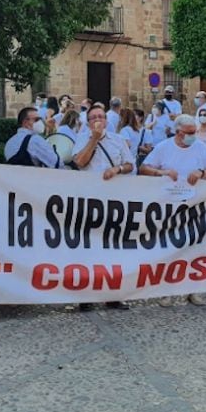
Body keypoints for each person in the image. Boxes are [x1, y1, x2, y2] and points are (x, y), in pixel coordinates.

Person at [140, 114, 206, 306]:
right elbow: (144, 168)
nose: (193, 136)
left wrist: (200, 172)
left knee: (196, 248)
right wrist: (162, 172)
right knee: (170, 248)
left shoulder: (200, 147)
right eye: (189, 133)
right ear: (178, 132)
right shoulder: (164, 147)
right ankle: (167, 291)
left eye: (195, 132)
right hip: (169, 207)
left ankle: (193, 290)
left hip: (194, 205)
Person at [72, 104, 135, 311]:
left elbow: (130, 165)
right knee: (88, 249)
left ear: (107, 120)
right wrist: (94, 139)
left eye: (101, 116)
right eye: (93, 117)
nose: (98, 119)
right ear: (88, 122)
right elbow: (80, 162)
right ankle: (86, 296)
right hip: (88, 202)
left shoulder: (118, 140)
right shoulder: (82, 139)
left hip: (113, 202)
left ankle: (113, 295)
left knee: (112, 249)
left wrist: (117, 168)